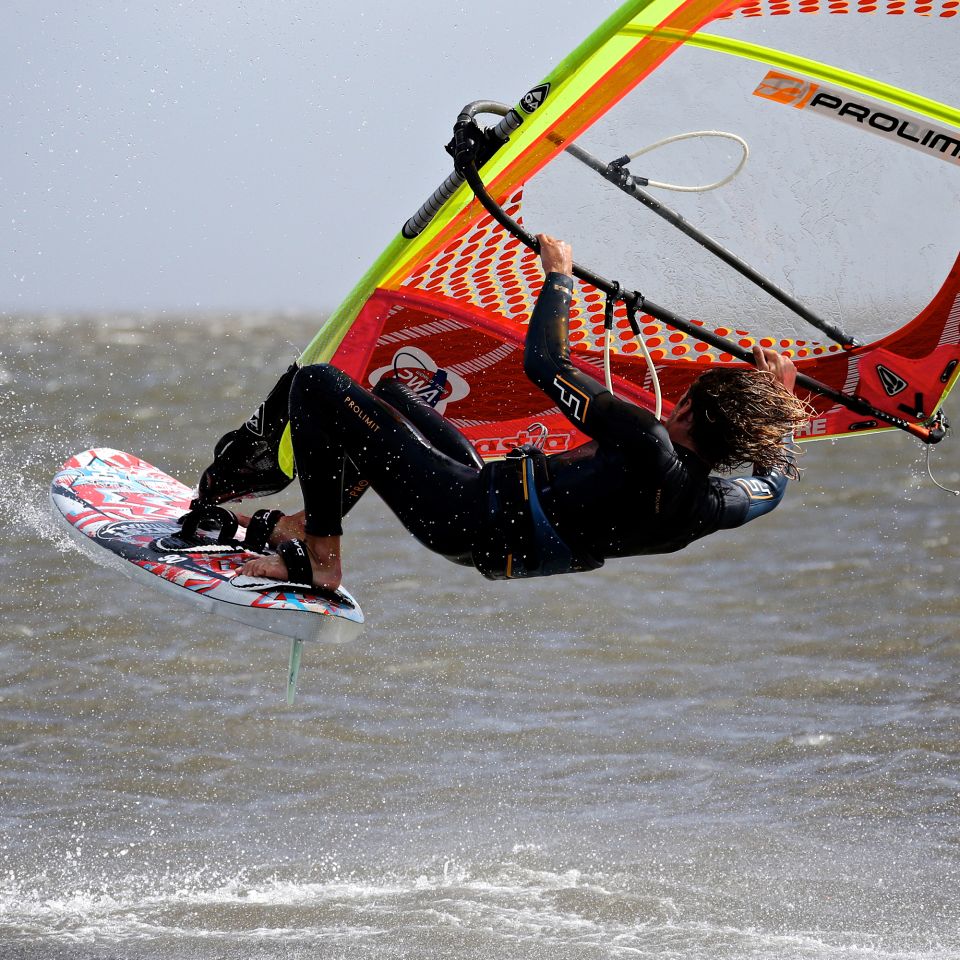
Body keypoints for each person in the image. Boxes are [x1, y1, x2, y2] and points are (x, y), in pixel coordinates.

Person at [239, 234, 808, 592]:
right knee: (390, 392)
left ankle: (319, 555)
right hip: (490, 530)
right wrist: (780, 413)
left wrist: (558, 278)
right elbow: (773, 488)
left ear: (684, 408)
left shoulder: (647, 443)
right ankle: (304, 524)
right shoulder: (709, 506)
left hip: (464, 512)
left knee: (316, 385)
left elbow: (543, 364)